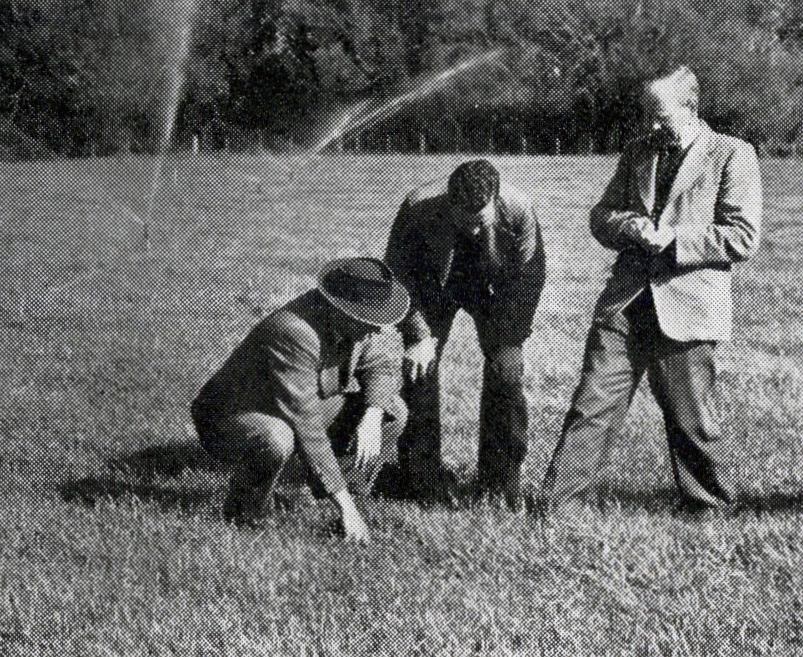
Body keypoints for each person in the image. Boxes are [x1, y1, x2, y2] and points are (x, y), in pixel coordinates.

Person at [541, 65, 762, 511]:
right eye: (646, 116)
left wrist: (674, 240)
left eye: (660, 117)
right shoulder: (638, 152)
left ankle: (709, 507)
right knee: (591, 403)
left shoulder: (732, 154)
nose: (651, 126)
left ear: (691, 109)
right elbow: (601, 216)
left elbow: (743, 236)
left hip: (688, 307)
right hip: (625, 304)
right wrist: (631, 226)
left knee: (691, 419)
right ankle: (556, 505)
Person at [190, 257, 411, 543]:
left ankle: (335, 495)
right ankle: (246, 516)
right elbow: (305, 423)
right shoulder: (294, 331)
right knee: (277, 437)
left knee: (393, 410)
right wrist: (347, 509)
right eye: (370, 321)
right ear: (341, 309)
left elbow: (380, 366)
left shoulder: (354, 323)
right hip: (233, 415)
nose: (379, 330)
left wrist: (372, 414)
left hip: (292, 405)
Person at [385, 159, 546, 508]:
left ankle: (499, 483)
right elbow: (396, 277)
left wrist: (510, 340)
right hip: (432, 289)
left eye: (481, 223)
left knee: (507, 371)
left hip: (494, 288)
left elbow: (529, 279)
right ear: (448, 203)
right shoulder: (417, 207)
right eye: (464, 223)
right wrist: (416, 334)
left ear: (497, 200)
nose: (473, 231)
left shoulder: (520, 209)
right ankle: (422, 481)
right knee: (419, 371)